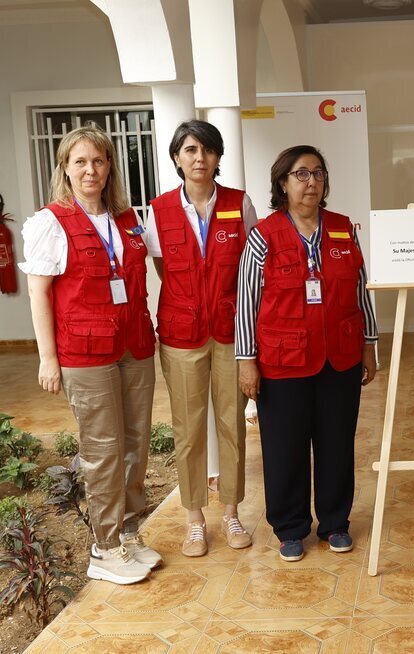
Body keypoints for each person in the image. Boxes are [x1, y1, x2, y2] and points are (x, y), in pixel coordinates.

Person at [20, 125, 159, 584]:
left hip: (134, 344)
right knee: (103, 448)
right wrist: (47, 357)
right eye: (80, 161)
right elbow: (39, 294)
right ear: (65, 167)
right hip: (84, 351)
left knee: (136, 441)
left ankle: (130, 532)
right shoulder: (50, 222)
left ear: (109, 166)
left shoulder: (126, 218)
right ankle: (105, 547)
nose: (90, 170)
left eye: (98, 161)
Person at [236, 145, 378, 562]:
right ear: (283, 183)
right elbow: (246, 301)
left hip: (340, 357)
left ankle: (335, 522)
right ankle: (291, 527)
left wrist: (369, 346)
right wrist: (247, 360)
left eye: (317, 173)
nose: (311, 182)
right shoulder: (264, 235)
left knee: (336, 443)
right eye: (301, 174)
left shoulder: (342, 229)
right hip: (282, 361)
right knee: (285, 446)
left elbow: (359, 291)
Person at [142, 120, 258, 557]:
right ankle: (194, 518)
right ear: (176, 158)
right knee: (188, 430)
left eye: (207, 150)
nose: (199, 158)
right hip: (181, 335)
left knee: (232, 425)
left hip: (230, 331)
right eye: (189, 150)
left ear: (217, 158)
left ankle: (230, 512)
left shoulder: (238, 203)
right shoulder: (159, 209)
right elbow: (163, 270)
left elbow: (248, 272)